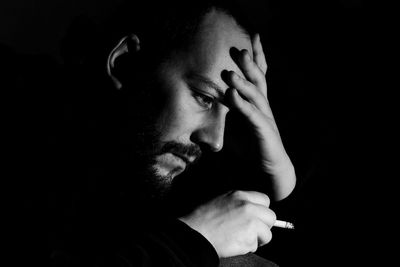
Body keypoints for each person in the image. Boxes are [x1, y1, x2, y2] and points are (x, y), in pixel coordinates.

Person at [49, 1, 296, 266]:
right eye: (204, 98)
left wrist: (275, 164)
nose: (215, 140)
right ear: (126, 64)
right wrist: (193, 240)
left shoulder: (150, 175)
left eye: (230, 115)